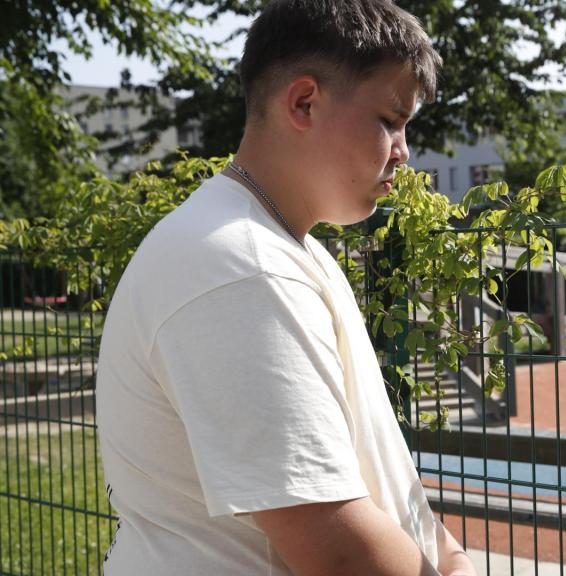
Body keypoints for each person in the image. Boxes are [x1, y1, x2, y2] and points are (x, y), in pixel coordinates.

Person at [95, 1, 476, 574]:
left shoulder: (286, 250)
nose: (404, 152)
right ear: (303, 103)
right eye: (389, 120)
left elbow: (382, 482)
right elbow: (339, 551)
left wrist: (452, 560)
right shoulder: (242, 266)